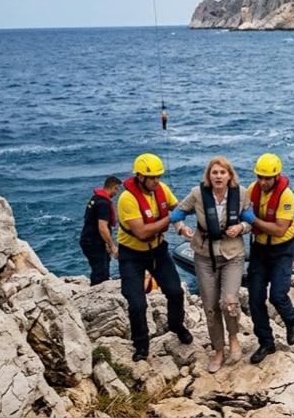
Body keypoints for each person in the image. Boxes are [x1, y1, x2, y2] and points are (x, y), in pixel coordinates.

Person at [171, 157, 253, 373]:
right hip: (204, 255)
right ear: (209, 176)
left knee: (229, 302)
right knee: (210, 307)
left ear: (229, 175)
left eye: (222, 173)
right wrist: (181, 229)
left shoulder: (241, 194)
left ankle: (233, 337)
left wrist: (242, 227)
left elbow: (251, 220)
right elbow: (176, 214)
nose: (218, 176)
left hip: (232, 254)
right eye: (214, 173)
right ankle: (218, 349)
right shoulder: (198, 194)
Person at [116, 153, 191, 362]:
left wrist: (181, 228)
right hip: (132, 254)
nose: (157, 181)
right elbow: (141, 232)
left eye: (159, 176)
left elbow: (176, 209)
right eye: (153, 177)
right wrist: (170, 219)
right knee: (137, 303)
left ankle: (177, 325)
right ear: (140, 177)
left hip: (157, 250)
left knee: (175, 291)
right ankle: (141, 345)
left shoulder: (162, 190)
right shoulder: (127, 199)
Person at [243, 152, 294, 364]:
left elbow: (279, 229)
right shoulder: (252, 190)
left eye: (267, 178)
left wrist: (253, 220)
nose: (262, 182)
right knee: (255, 297)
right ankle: (266, 342)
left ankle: (292, 320)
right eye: (260, 177)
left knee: (278, 294)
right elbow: (240, 208)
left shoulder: (287, 196)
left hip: (282, 250)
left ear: (277, 176)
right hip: (259, 249)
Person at [79, 175, 121, 285]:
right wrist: (112, 245)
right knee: (101, 273)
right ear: (114, 187)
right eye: (117, 189)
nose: (116, 193)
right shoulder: (103, 204)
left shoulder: (95, 198)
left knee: (100, 268)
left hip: (88, 239)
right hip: (94, 242)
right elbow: (102, 227)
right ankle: (96, 294)